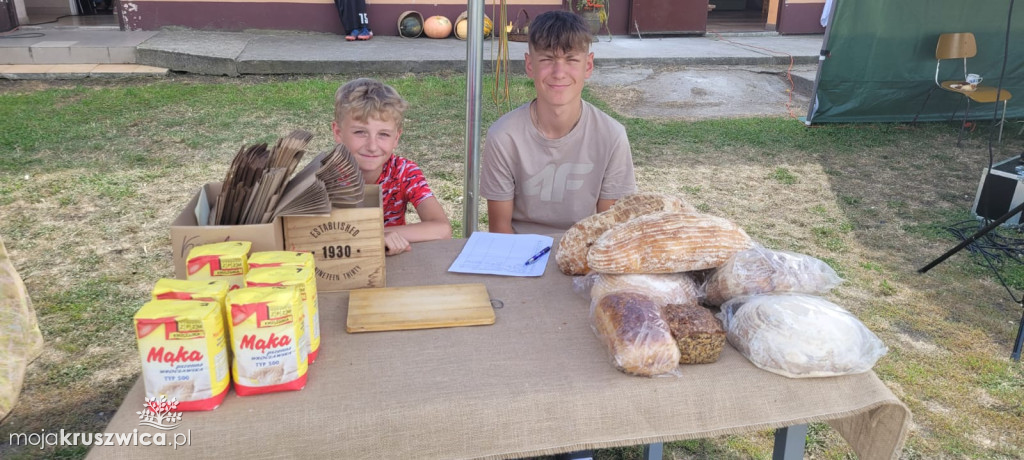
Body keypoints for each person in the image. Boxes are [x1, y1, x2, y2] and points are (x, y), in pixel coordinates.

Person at [480, 10, 637, 235]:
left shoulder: (612, 136)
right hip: (519, 255)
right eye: (547, 59)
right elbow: (500, 229)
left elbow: (609, 229)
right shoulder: (504, 137)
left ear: (588, 66)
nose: (559, 72)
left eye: (571, 59)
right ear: (530, 65)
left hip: (585, 255)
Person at [331, 78, 452, 255]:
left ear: (396, 138)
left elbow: (442, 228)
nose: (372, 145)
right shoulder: (322, 177)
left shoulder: (404, 172)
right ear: (338, 133)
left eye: (384, 134)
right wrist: (375, 237)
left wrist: (383, 235)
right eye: (360, 132)